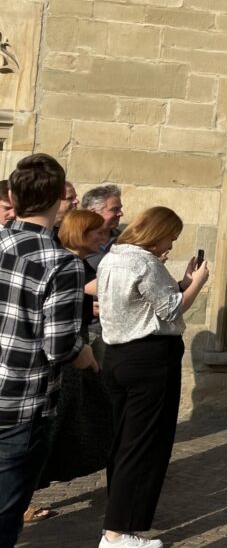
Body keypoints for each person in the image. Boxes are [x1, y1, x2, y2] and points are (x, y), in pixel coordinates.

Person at [0, 155, 94, 548]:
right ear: (60, 200)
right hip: (20, 408)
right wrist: (85, 354)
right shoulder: (61, 263)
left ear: (14, 198)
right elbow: (58, 347)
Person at [98, 206, 209, 548]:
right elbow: (173, 310)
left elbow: (147, 301)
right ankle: (116, 533)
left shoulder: (113, 256)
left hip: (116, 357)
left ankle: (119, 518)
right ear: (155, 232)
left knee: (124, 442)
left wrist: (181, 283)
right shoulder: (145, 262)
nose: (171, 245)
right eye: (170, 237)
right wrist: (199, 284)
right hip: (149, 359)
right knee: (144, 444)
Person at [33, 210, 112, 506]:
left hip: (75, 354)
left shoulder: (77, 264)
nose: (103, 239)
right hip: (67, 358)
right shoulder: (66, 263)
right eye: (97, 233)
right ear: (81, 233)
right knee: (52, 429)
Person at [81, 184, 124, 270]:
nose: (121, 214)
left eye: (120, 209)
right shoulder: (76, 239)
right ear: (93, 212)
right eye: (114, 209)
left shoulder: (124, 239)